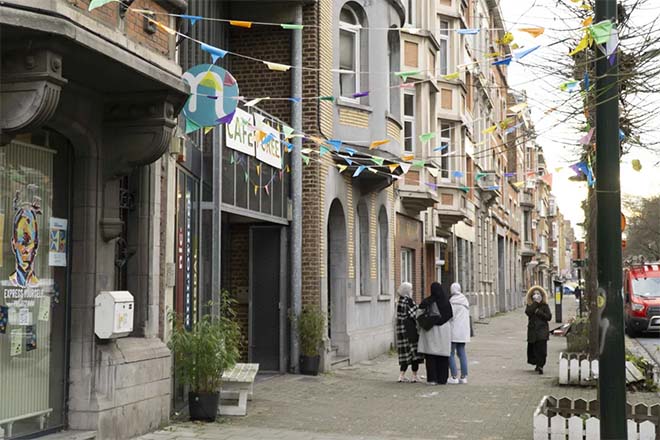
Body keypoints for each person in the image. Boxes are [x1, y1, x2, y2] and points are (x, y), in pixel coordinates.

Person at [417, 282, 453, 385]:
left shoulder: (427, 301)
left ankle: (432, 379)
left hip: (431, 332)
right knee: (443, 357)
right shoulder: (446, 303)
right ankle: (442, 379)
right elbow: (451, 316)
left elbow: (419, 315)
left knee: (431, 356)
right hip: (444, 332)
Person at [395, 282, 423, 382]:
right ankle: (414, 376)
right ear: (407, 291)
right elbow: (415, 313)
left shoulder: (399, 301)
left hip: (401, 331)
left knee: (404, 353)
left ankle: (401, 375)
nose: (412, 291)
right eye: (411, 289)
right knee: (414, 353)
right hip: (410, 330)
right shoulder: (409, 301)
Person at [525, 285, 552, 374]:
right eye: (534, 294)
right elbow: (528, 312)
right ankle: (537, 363)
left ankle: (541, 365)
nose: (536, 295)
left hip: (542, 330)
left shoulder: (545, 305)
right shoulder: (530, 305)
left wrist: (539, 312)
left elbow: (548, 317)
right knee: (534, 349)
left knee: (542, 349)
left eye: (538, 294)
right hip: (533, 330)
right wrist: (535, 303)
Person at [447, 282, 470, 384]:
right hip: (463, 332)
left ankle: (454, 376)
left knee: (451, 353)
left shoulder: (452, 301)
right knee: (462, 353)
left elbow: (450, 317)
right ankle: (464, 376)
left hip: (453, 331)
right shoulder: (465, 301)